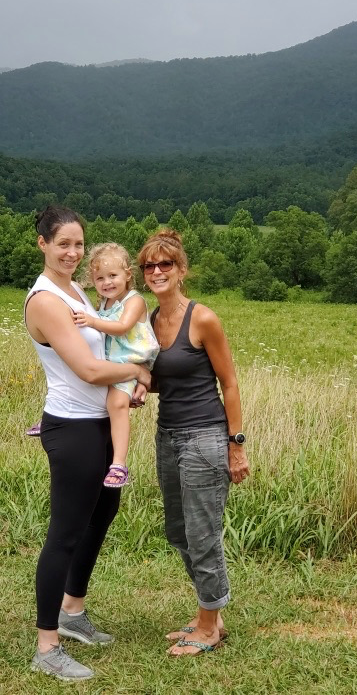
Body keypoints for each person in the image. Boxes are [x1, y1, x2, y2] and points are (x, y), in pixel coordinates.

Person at [24, 205, 152, 682]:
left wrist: (124, 389)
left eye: (79, 244)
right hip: (73, 428)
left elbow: (108, 347)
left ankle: (72, 612)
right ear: (42, 244)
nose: (73, 253)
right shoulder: (45, 301)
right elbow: (91, 369)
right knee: (65, 533)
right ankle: (47, 645)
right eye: (63, 244)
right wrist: (138, 372)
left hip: (99, 422)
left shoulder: (76, 288)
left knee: (101, 516)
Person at [136, 228, 251, 657]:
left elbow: (230, 382)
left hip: (205, 437)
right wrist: (135, 388)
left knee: (203, 533)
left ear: (181, 270)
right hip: (167, 435)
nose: (157, 271)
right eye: (149, 265)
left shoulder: (202, 318)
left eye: (166, 264)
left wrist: (235, 444)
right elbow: (160, 380)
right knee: (178, 530)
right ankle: (212, 613)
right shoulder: (148, 321)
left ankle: (208, 627)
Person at [71, 242, 159, 488]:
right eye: (100, 278)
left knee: (117, 403)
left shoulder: (135, 301)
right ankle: (55, 419)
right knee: (80, 374)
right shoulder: (103, 303)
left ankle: (119, 464)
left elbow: (122, 327)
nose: (107, 282)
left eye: (113, 276)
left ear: (128, 274)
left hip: (131, 360)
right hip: (110, 361)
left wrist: (91, 321)